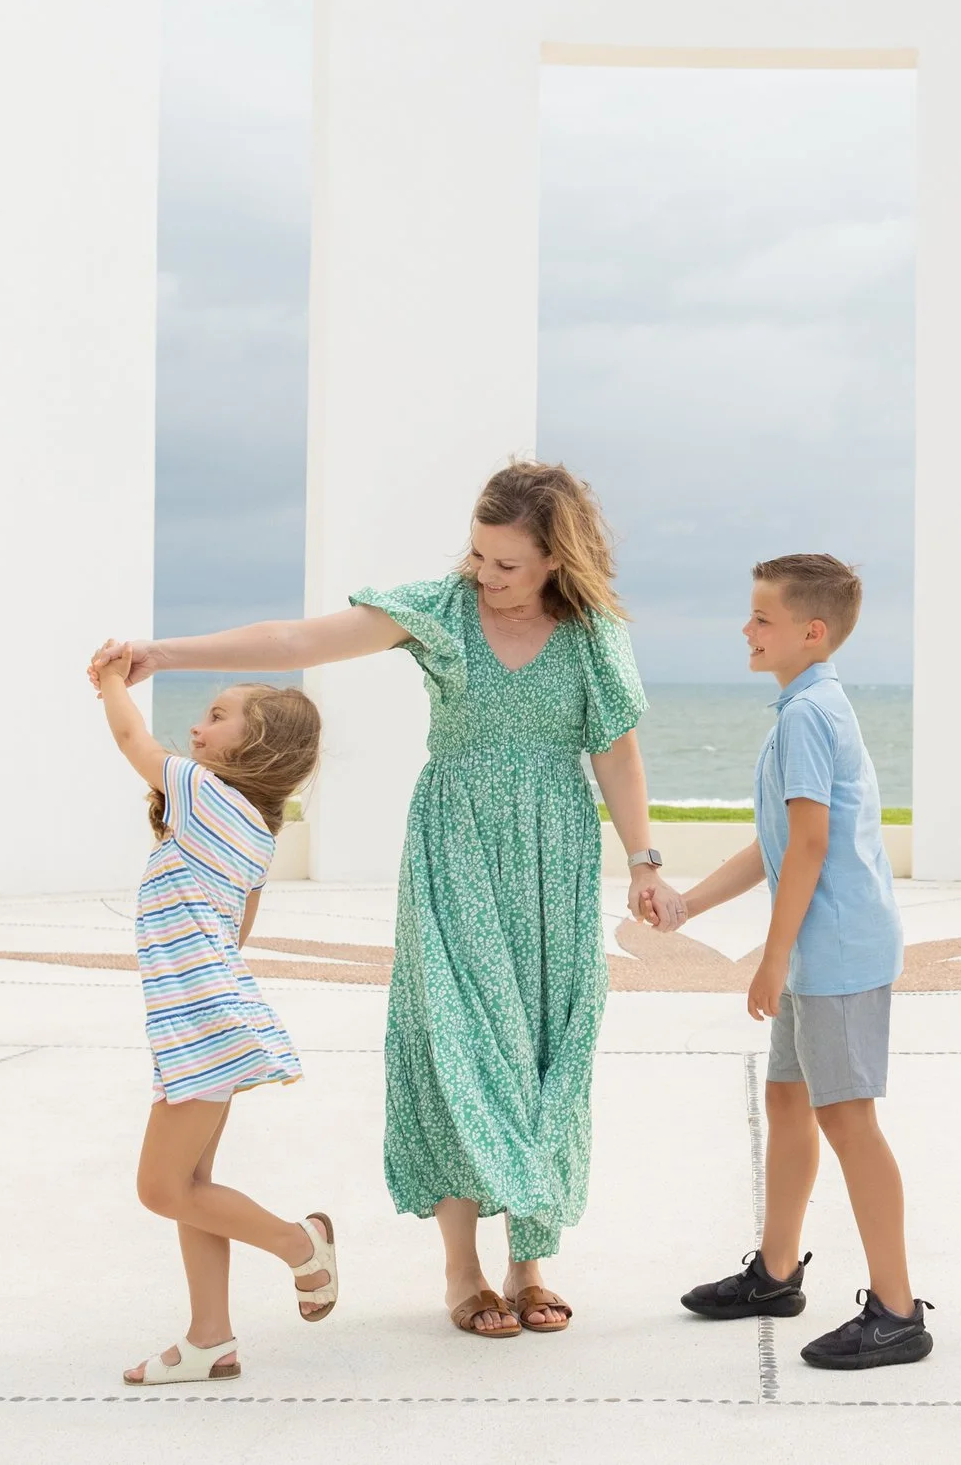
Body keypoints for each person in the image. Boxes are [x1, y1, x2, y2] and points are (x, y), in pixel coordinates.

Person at [91, 460, 664, 1340]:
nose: (487, 574)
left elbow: (615, 754)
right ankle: (463, 1271)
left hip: (554, 856)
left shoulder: (594, 635)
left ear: (556, 556)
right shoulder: (440, 608)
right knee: (463, 1045)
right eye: (479, 554)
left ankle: (529, 1262)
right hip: (458, 848)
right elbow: (296, 643)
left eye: (508, 563)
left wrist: (645, 860)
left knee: (549, 1045)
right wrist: (162, 655)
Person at [648, 555, 930, 1370]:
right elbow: (775, 839)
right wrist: (690, 907)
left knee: (848, 1118)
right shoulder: (803, 707)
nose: (746, 628)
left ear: (812, 631)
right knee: (787, 1096)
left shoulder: (809, 715)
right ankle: (776, 1273)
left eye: (762, 618)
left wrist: (768, 962)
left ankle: (899, 1310)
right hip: (819, 948)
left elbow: (811, 846)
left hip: (835, 950)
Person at [87, 655, 336, 1386]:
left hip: (199, 1024)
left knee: (162, 1187)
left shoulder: (199, 792)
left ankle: (301, 1244)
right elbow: (237, 930)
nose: (197, 727)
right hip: (201, 1018)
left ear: (256, 745)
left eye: (217, 716)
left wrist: (109, 679)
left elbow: (133, 740)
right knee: (193, 1183)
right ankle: (210, 1338)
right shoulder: (254, 828)